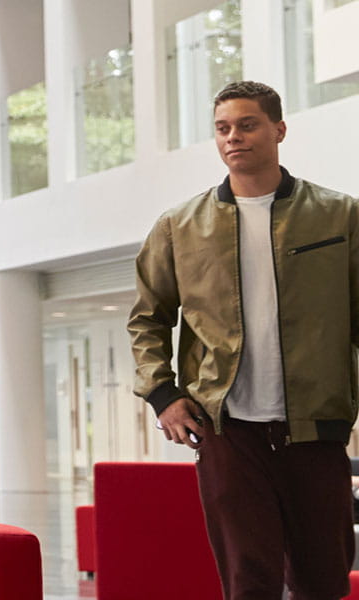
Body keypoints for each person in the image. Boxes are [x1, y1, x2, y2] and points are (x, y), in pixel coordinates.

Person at [129, 80, 358, 599]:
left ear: (278, 129)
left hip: (316, 428)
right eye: (223, 128)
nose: (234, 137)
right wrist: (163, 395)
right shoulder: (179, 226)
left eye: (248, 124)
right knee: (248, 582)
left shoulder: (340, 215)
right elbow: (148, 317)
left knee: (322, 580)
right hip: (228, 430)